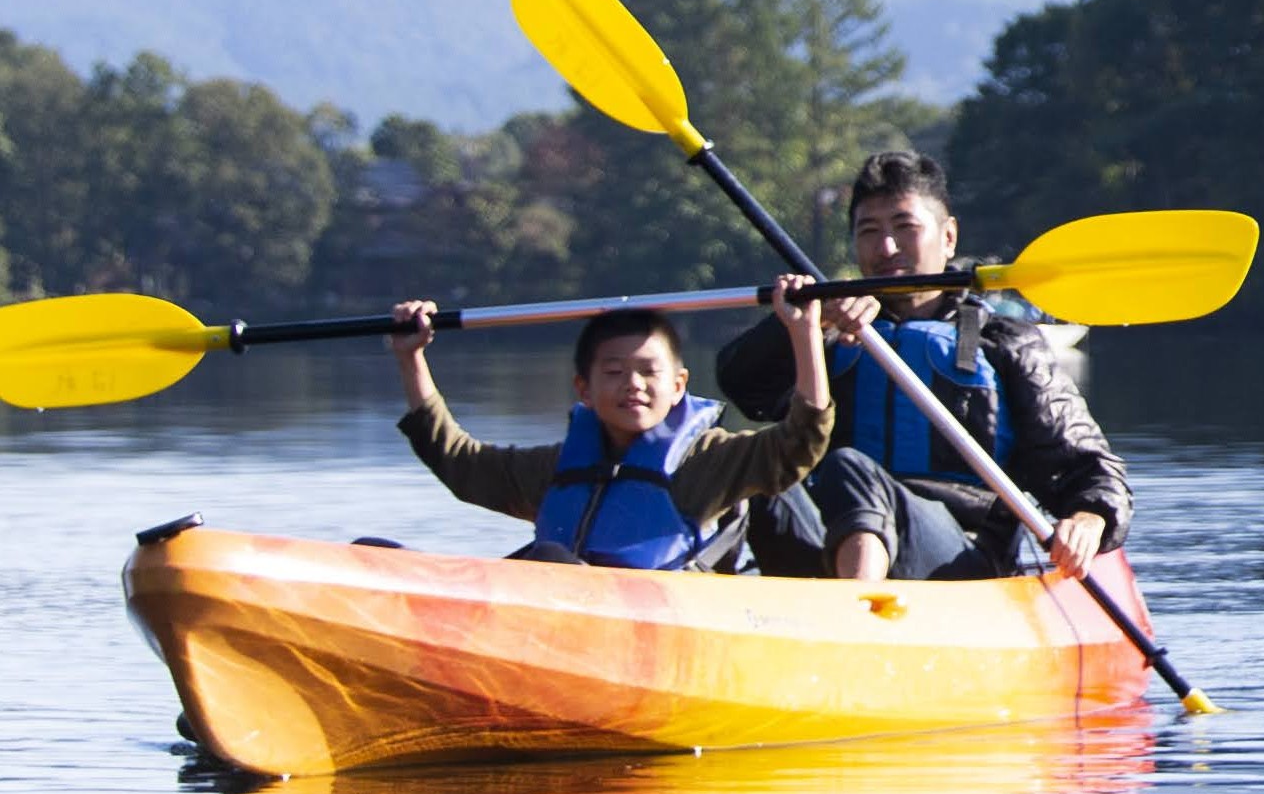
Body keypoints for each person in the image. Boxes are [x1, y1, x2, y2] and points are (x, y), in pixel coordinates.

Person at [715, 146, 1132, 584]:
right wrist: (804, 322)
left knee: (851, 468)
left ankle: (856, 605)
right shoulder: (829, 331)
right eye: (869, 231)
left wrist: (1088, 519)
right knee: (759, 479)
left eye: (905, 227)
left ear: (948, 237)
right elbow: (743, 387)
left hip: (963, 552)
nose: (886, 247)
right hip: (834, 534)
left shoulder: (1003, 342)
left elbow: (1092, 469)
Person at [388, 289, 833, 569]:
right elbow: (461, 464)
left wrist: (804, 332)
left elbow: (799, 443)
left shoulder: (710, 460)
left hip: (661, 624)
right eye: (615, 372)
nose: (633, 384)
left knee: (549, 559)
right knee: (377, 552)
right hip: (563, 617)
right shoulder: (557, 468)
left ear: (678, 386)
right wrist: (411, 358)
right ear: (584, 389)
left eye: (649, 372)